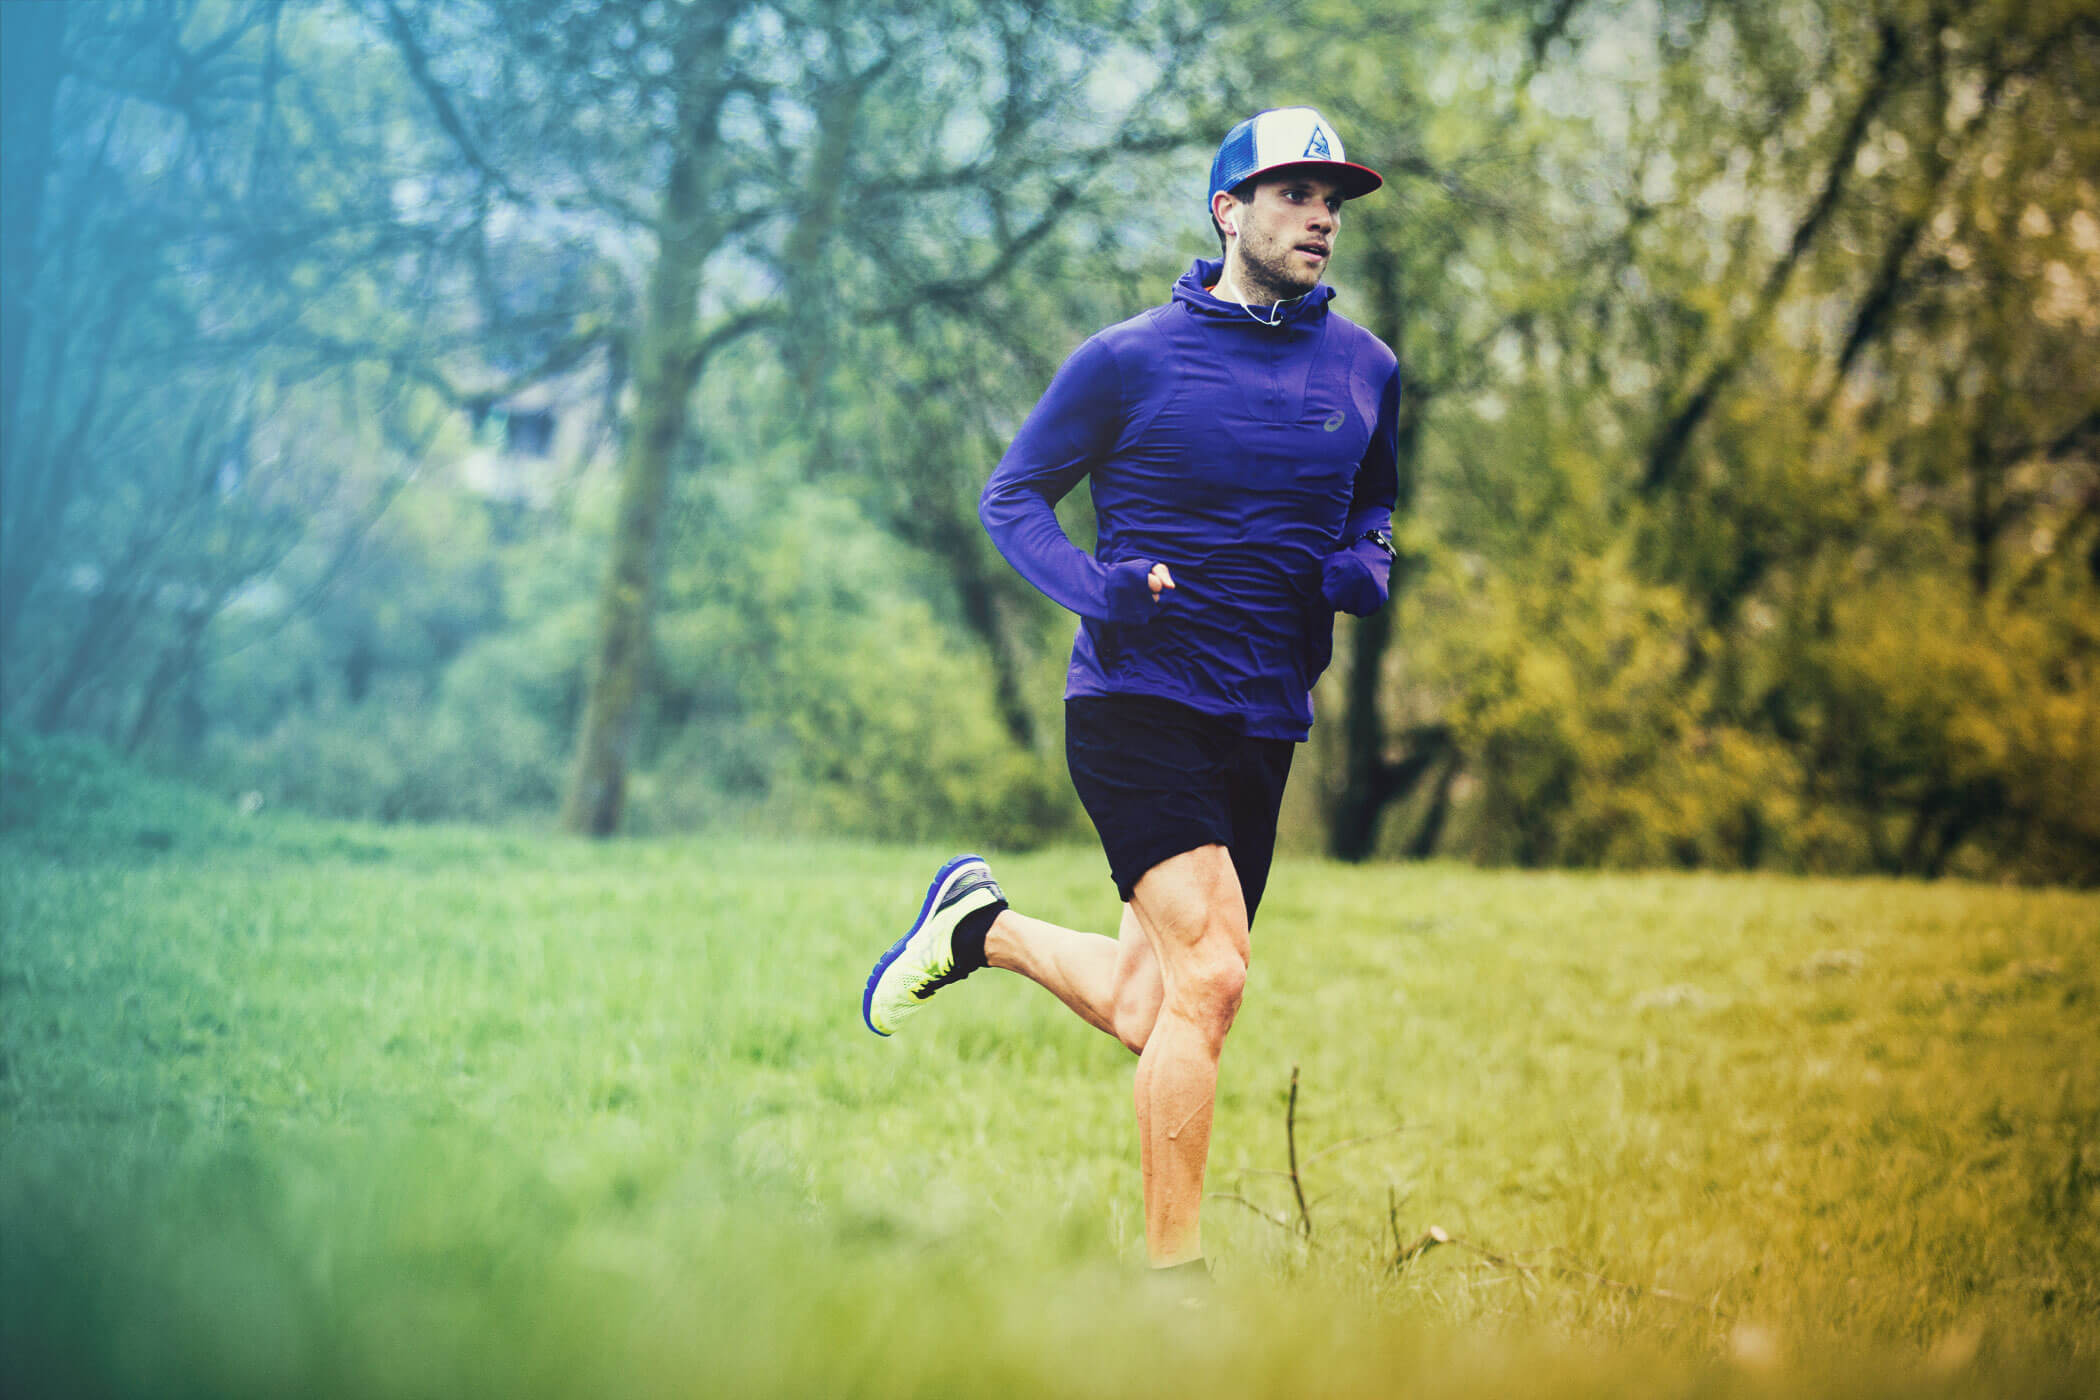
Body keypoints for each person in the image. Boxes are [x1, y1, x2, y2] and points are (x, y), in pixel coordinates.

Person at [862, 107, 1400, 1280]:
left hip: (1265, 713)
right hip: (1136, 697)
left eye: (1334, 199)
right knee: (1213, 980)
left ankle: (977, 926)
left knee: (1150, 1003)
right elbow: (1013, 499)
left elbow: (1374, 504)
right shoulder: (1128, 358)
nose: (1321, 215)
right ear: (1229, 211)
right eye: (1296, 192)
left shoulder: (1367, 368)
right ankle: (1176, 1292)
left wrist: (1368, 563)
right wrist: (1100, 591)